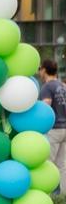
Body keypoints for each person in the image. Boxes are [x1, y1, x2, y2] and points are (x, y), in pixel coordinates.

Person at [39, 59, 66, 194]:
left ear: (44, 70)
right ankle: (63, 194)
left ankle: (47, 194)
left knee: (47, 163)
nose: (39, 72)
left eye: (40, 69)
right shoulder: (63, 86)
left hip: (53, 129)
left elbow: (46, 106)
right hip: (64, 128)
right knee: (62, 165)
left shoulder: (47, 87)